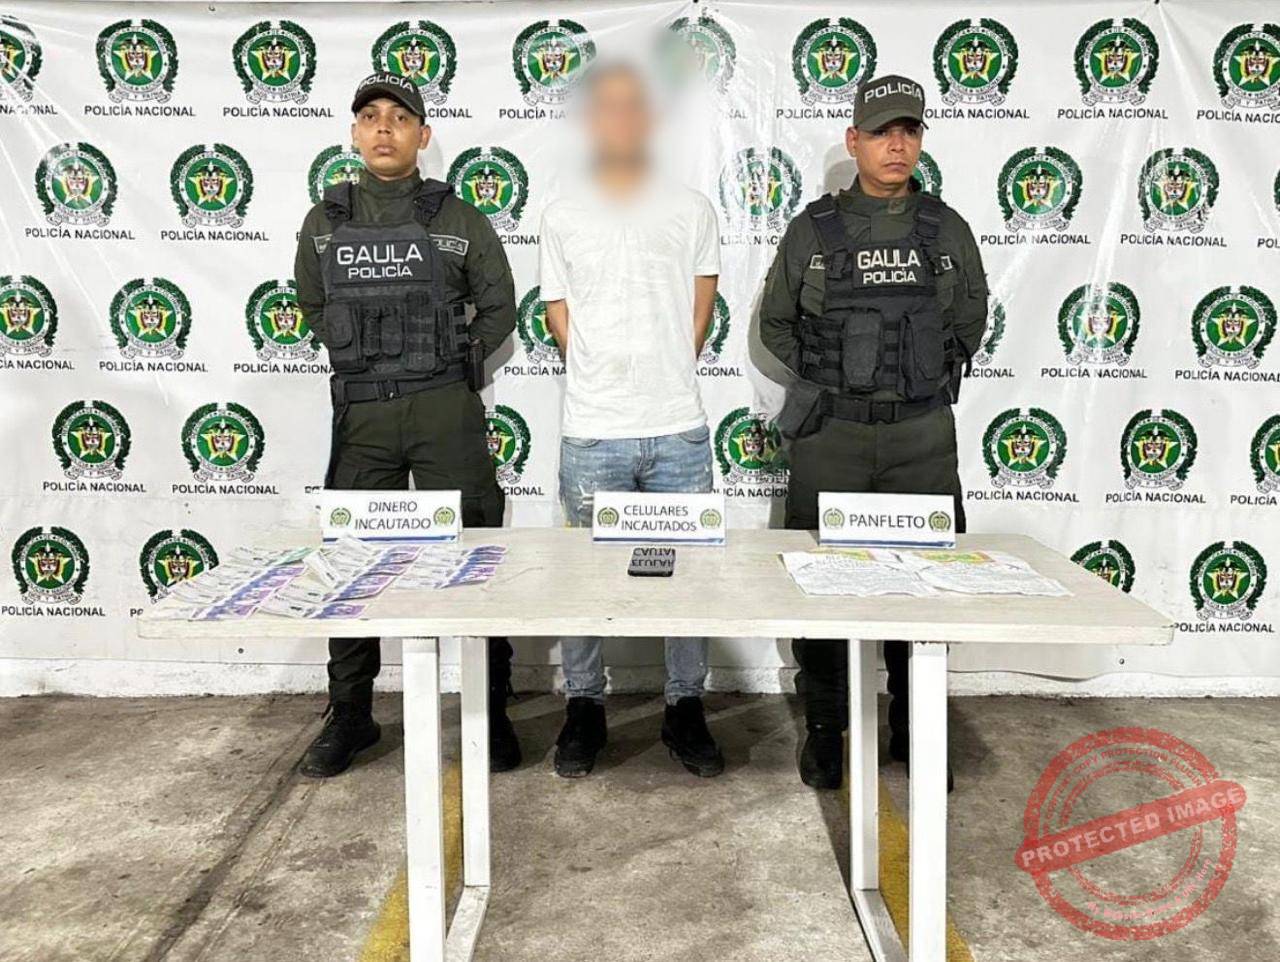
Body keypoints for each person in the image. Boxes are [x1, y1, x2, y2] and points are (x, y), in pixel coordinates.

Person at [759, 74, 989, 792]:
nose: (897, 145)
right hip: (833, 436)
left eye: (909, 131)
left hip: (921, 438)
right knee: (820, 587)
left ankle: (915, 728)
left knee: (927, 589)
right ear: (853, 140)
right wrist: (834, 376)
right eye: (883, 132)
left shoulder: (945, 229)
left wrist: (911, 377)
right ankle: (826, 729)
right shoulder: (814, 229)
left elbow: (971, 321)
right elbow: (776, 324)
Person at [292, 72, 520, 778]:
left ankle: (490, 709)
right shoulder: (325, 221)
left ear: (423, 135)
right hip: (363, 410)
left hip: (443, 406)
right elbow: (312, 304)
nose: (384, 127)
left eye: (399, 117)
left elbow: (500, 307)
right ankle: (351, 714)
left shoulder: (458, 218)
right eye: (370, 117)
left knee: (475, 551)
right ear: (354, 134)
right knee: (349, 561)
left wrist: (451, 362)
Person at [538, 63, 725, 779]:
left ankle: (685, 706)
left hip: (678, 428)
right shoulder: (562, 213)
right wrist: (603, 374)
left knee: (689, 579)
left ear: (650, 121)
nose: (619, 118)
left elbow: (701, 307)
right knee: (585, 580)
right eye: (606, 107)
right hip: (593, 431)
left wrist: (664, 368)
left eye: (632, 107)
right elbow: (558, 312)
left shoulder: (692, 209)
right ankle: (584, 705)